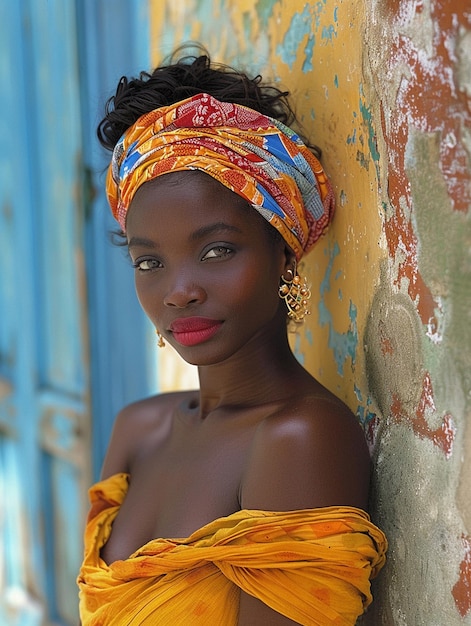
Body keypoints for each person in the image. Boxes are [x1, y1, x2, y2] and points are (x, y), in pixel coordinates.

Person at [77, 46, 387, 625]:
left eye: (217, 250)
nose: (179, 291)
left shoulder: (298, 438)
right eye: (150, 263)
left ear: (284, 254)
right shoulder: (139, 429)